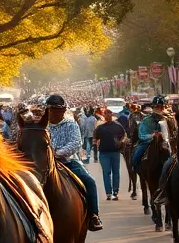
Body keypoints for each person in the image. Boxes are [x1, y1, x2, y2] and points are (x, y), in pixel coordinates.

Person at [45, 94, 103, 231]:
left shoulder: (71, 124)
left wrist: (57, 153)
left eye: (58, 111)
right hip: (44, 163)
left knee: (89, 182)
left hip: (68, 161)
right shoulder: (42, 125)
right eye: (52, 111)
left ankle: (94, 215)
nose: (55, 114)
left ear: (63, 111)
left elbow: (76, 143)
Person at [94, 107, 127, 200]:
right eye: (106, 114)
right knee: (106, 173)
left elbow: (124, 135)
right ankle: (108, 193)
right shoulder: (100, 128)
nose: (107, 115)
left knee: (116, 173)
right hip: (104, 153)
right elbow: (95, 138)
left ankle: (115, 192)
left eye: (109, 114)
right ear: (104, 116)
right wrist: (96, 146)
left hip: (115, 152)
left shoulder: (118, 126)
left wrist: (121, 142)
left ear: (112, 115)